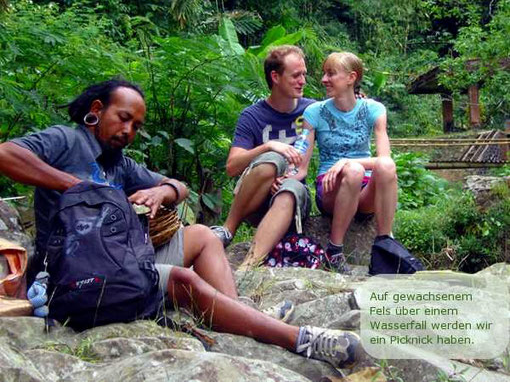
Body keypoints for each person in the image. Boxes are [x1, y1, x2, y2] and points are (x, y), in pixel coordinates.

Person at [0, 79, 361, 369]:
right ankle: (298, 338)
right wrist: (75, 185)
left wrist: (163, 192)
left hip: (118, 264)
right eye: (123, 118)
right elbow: (6, 153)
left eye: (136, 126)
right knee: (183, 281)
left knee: (203, 235)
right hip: (73, 277)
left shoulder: (120, 164)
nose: (129, 131)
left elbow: (180, 186)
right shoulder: (66, 140)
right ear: (97, 110)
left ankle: (239, 313)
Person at [211, 45, 315, 269]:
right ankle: (229, 229)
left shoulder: (313, 111)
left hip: (293, 199)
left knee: (290, 189)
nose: (303, 81)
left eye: (304, 74)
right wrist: (268, 146)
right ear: (275, 77)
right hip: (256, 200)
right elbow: (232, 167)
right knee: (273, 160)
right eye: (296, 75)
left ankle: (247, 268)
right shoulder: (252, 116)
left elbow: (346, 113)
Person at [303, 52, 398, 272]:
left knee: (385, 167)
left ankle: (385, 246)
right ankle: (334, 252)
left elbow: (385, 160)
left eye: (331, 74)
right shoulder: (313, 113)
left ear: (351, 78)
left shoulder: (374, 110)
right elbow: (301, 164)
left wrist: (346, 160)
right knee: (354, 171)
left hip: (364, 191)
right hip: (330, 189)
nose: (324, 80)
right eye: (324, 74)